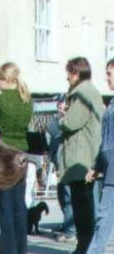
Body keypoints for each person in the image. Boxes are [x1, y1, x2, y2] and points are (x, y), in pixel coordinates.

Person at [57, 57, 104, 254]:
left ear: (76, 73)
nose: (67, 77)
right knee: (84, 202)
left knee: (81, 204)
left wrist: (61, 117)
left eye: (69, 72)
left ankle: (83, 247)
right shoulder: (90, 91)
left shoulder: (82, 93)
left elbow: (71, 122)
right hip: (87, 153)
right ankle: (85, 245)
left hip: (81, 155)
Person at [0, 62, 33, 254]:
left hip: (3, 155)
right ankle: (21, 249)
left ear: (6, 79)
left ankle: (7, 252)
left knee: (4, 204)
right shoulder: (26, 100)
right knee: (18, 204)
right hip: (22, 153)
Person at [73, 59, 114, 254]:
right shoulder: (112, 104)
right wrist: (97, 166)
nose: (107, 77)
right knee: (107, 213)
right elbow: (106, 141)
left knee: (106, 213)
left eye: (110, 73)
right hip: (110, 166)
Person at [47, 96, 77, 242]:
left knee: (68, 195)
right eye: (59, 108)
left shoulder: (70, 122)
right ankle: (67, 225)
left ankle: (71, 230)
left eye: (64, 108)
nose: (60, 110)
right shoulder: (56, 121)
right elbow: (52, 130)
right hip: (59, 163)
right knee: (62, 195)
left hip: (69, 164)